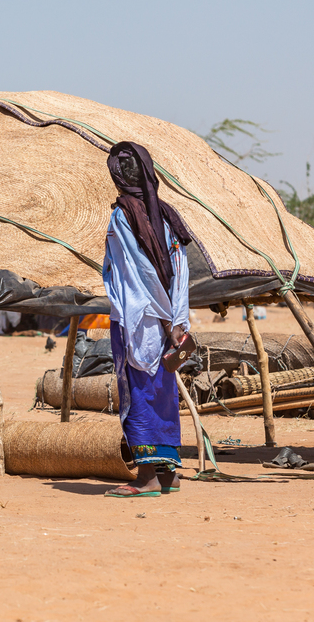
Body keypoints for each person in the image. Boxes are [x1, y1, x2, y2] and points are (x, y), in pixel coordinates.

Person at [101, 141, 191, 498]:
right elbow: (181, 271)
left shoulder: (123, 216)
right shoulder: (168, 216)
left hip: (140, 319)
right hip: (170, 321)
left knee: (139, 392)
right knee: (164, 393)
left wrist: (167, 322)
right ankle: (168, 475)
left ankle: (147, 476)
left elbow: (139, 274)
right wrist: (179, 320)